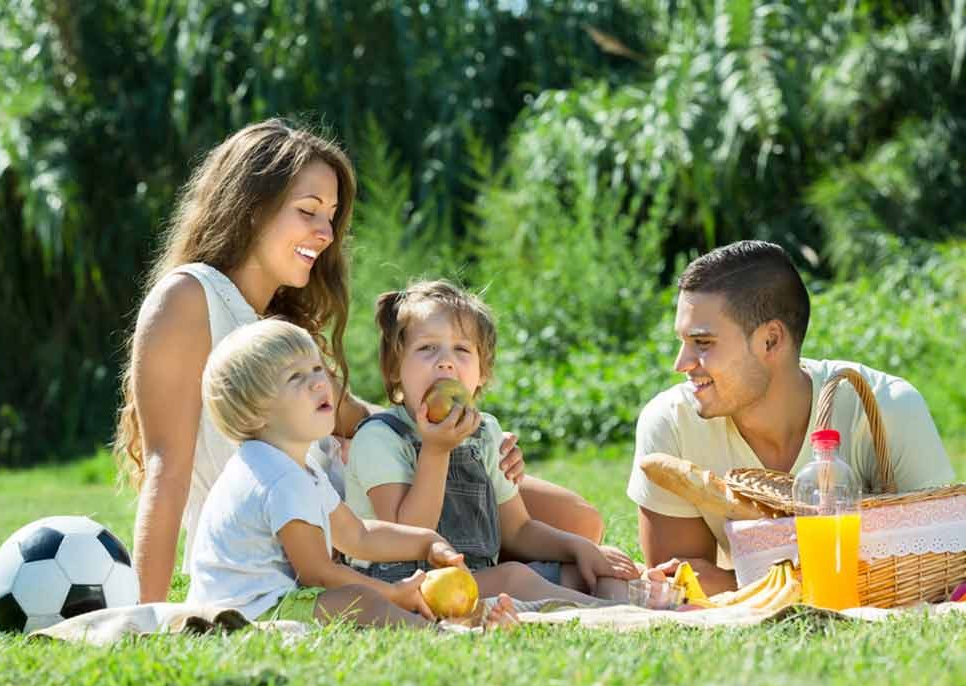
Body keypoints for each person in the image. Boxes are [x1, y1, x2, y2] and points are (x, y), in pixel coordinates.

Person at [113, 118, 603, 603]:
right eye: (308, 211)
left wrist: (465, 433)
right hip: (315, 545)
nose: (325, 232)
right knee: (545, 553)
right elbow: (167, 467)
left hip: (358, 514)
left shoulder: (285, 326)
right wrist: (145, 615)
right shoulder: (190, 297)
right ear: (250, 209)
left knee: (580, 521)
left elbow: (359, 416)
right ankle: (523, 583)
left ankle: (530, 580)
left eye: (330, 215)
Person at [626, 240, 954, 594]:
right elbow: (682, 587)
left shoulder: (886, 407)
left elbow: (943, 567)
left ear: (770, 341)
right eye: (683, 341)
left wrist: (744, 582)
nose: (681, 363)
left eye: (702, 343)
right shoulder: (671, 425)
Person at [184, 318, 517, 628]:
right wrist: (392, 593)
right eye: (296, 377)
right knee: (360, 599)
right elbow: (319, 574)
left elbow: (357, 535)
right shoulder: (277, 478)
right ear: (254, 413)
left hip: (272, 601)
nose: (318, 381)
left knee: (364, 599)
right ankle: (442, 633)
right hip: (250, 611)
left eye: (317, 368)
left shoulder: (298, 467)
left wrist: (426, 543)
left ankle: (460, 620)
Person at [345, 280, 639, 604]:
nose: (445, 361)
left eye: (462, 349)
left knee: (593, 570)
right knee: (513, 576)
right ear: (394, 369)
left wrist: (579, 547)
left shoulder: (485, 433)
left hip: (473, 578)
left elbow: (517, 531)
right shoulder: (380, 437)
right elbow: (406, 537)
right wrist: (435, 450)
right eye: (427, 348)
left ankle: (621, 603)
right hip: (401, 585)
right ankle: (605, 613)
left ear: (482, 372)